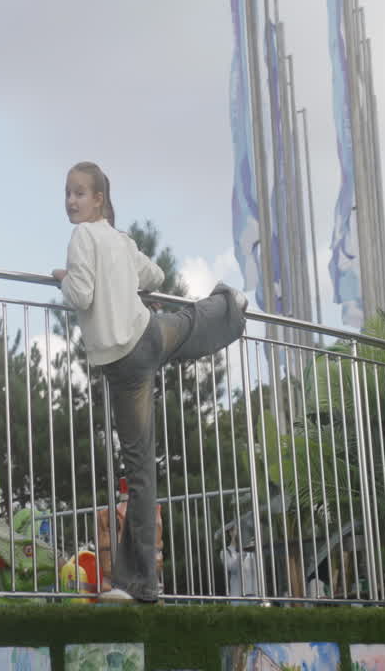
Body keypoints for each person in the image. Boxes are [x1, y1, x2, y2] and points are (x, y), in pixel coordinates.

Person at [51, 161, 248, 603]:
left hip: (125, 361)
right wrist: (125, 283)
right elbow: (155, 276)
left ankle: (141, 583)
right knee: (188, 322)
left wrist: (63, 278)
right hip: (146, 340)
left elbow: (80, 295)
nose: (71, 201)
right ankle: (230, 307)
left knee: (140, 472)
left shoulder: (83, 236)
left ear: (98, 199)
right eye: (67, 193)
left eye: (79, 193)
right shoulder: (118, 240)